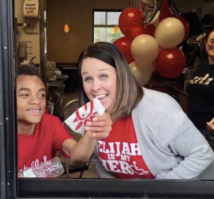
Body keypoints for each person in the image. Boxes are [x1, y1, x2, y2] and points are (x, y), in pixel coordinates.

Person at [77, 42, 214, 180]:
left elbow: (201, 154)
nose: (95, 87)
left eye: (103, 76)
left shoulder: (159, 107)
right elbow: (98, 161)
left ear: (121, 74)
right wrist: (117, 190)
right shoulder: (92, 114)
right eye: (88, 78)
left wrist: (154, 192)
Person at [16, 65, 112, 176]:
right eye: (25, 95)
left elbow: (78, 156)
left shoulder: (50, 124)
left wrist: (92, 133)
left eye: (41, 95)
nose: (36, 101)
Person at [186, 30, 214, 134]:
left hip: (209, 131)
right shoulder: (201, 65)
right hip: (191, 126)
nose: (213, 45)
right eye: (212, 41)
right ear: (206, 43)